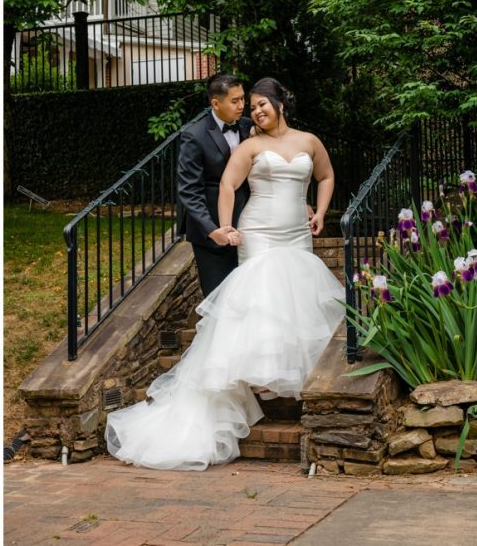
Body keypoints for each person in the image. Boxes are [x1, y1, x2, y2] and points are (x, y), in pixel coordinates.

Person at [105, 77, 344, 471]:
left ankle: (291, 378)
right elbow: (227, 186)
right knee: (261, 300)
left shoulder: (308, 140)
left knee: (296, 300)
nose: (254, 111)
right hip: (260, 232)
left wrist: (318, 211)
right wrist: (224, 226)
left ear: (281, 103)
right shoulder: (248, 144)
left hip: (297, 233)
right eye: (249, 106)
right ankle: (264, 378)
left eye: (260, 104)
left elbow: (327, 175)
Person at [177, 74, 253, 296]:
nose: (241, 106)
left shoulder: (249, 127)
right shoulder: (194, 136)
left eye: (242, 99)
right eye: (235, 101)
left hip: (249, 226)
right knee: (219, 298)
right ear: (216, 103)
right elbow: (190, 191)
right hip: (212, 233)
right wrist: (212, 230)